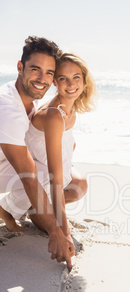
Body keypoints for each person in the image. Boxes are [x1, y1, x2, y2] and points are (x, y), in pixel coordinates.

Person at [0, 36, 74, 270]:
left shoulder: (31, 102)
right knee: (44, 175)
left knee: (73, 180)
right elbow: (29, 176)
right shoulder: (8, 110)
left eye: (49, 72)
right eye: (35, 69)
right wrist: (56, 232)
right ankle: (8, 210)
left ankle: (21, 209)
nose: (42, 79)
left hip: (6, 165)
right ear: (20, 67)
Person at [25, 51, 96, 241]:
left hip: (47, 170)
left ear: (84, 80)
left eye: (76, 77)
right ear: (55, 82)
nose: (71, 84)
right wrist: (65, 231)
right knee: (53, 226)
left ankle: (42, 207)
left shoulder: (70, 109)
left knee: (80, 184)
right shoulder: (54, 114)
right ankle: (33, 208)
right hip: (36, 179)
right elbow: (54, 178)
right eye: (63, 78)